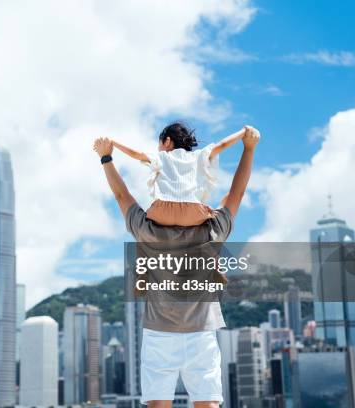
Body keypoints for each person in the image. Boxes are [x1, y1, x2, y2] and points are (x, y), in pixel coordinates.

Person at [93, 126, 260, 408]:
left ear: (166, 143)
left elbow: (123, 197)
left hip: (160, 333)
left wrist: (107, 158)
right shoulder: (213, 231)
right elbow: (236, 193)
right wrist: (249, 148)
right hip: (202, 331)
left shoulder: (147, 230)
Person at [112, 122, 248, 227]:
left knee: (148, 220)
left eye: (159, 144)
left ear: (167, 141)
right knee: (212, 216)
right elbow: (223, 144)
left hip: (163, 210)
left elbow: (136, 154)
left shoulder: (161, 156)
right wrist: (243, 132)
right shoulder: (199, 155)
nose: (159, 148)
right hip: (193, 212)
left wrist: (114, 143)